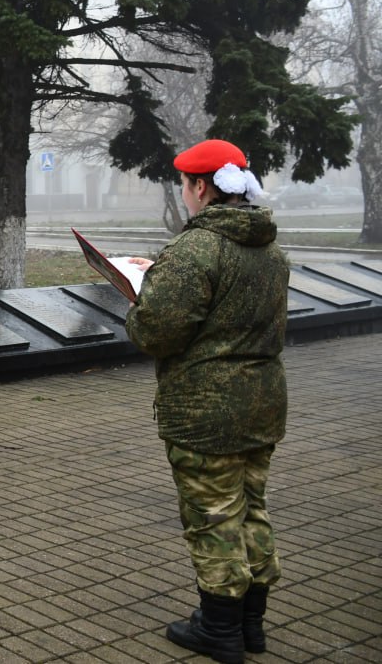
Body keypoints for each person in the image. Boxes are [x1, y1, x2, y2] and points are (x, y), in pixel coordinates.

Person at [125, 139, 287, 664]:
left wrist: (142, 298)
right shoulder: (270, 247)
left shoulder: (197, 249)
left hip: (206, 412)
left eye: (186, 185)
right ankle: (252, 625)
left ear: (201, 187)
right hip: (262, 403)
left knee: (213, 518)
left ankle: (218, 631)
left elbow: (156, 332)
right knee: (252, 510)